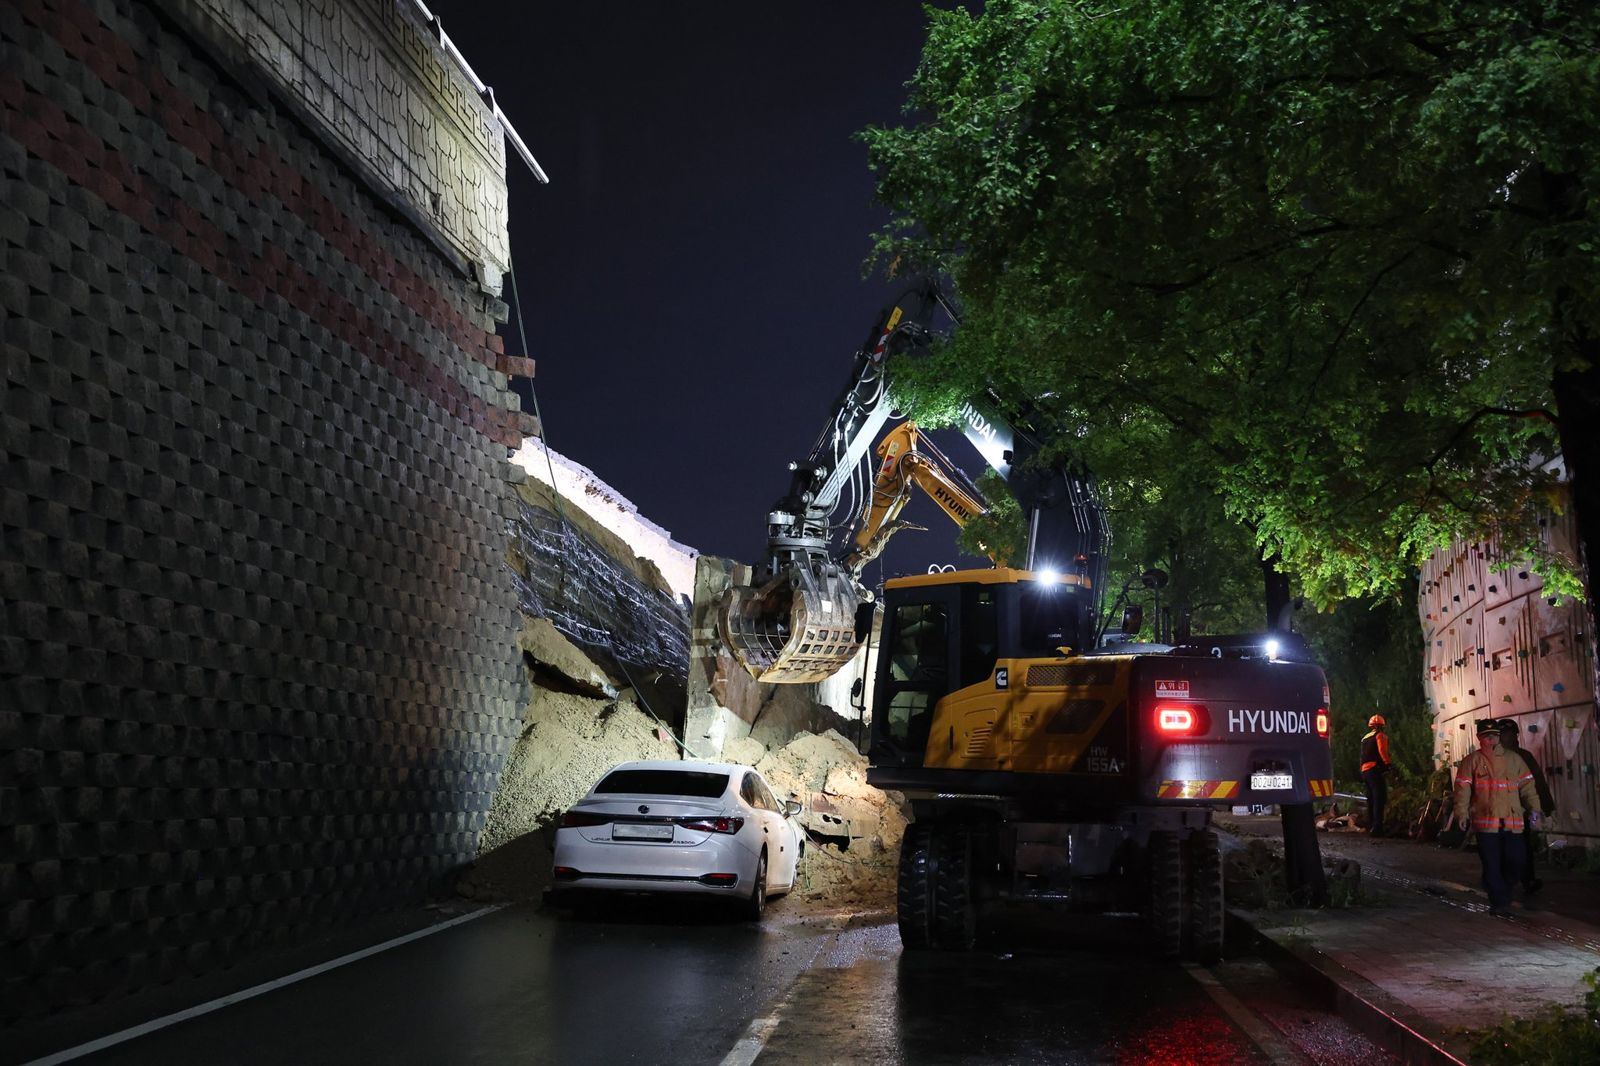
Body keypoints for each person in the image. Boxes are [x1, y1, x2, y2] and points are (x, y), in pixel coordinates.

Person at [1454, 719, 1540, 916]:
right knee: (1492, 864)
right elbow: (1462, 790)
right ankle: (1499, 901)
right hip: (1487, 824)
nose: (1491, 738)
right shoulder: (1472, 761)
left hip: (1512, 822)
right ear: (1479, 738)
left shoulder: (1514, 759)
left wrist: (1535, 809)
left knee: (1517, 860)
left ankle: (1502, 890)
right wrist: (1462, 813)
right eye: (1487, 735)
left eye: (1494, 735)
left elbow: (1528, 786)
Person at [1497, 718, 1556, 893]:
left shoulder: (1524, 756)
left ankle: (1527, 879)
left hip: (1520, 811)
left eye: (1510, 734)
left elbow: (1537, 782)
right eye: (1504, 734)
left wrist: (1545, 805)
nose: (1508, 738)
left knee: (1523, 846)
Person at [1360, 714, 1394, 836]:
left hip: (1364, 771)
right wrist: (1388, 764)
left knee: (1371, 799)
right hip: (1374, 769)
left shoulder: (1365, 738)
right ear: (1382, 726)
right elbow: (1382, 751)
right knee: (1379, 798)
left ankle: (1371, 825)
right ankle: (1377, 828)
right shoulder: (1380, 735)